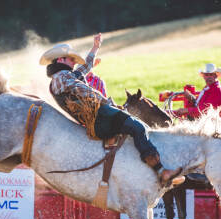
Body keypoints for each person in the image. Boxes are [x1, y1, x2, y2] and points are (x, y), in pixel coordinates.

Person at [40, 33, 184, 186]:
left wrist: (95, 47)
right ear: (61, 60)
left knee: (135, 129)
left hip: (98, 118)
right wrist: (108, 103)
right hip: (100, 118)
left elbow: (85, 68)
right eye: (71, 59)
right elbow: (84, 90)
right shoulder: (62, 77)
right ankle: (162, 171)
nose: (75, 62)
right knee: (138, 127)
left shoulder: (63, 76)